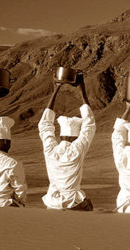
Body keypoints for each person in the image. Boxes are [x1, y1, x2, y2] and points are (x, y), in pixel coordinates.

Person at [38, 75, 96, 211]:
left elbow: (45, 125)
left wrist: (55, 90)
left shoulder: (51, 150)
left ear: (61, 134)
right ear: (76, 136)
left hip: (52, 201)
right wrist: (82, 90)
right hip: (72, 202)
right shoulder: (77, 149)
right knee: (88, 204)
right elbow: (89, 124)